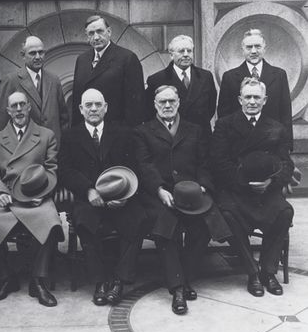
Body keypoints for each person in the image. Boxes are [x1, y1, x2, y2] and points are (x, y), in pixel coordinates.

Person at [133, 85, 231, 315]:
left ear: (179, 103)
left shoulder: (195, 130)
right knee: (168, 230)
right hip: (161, 195)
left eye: (171, 101)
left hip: (191, 193)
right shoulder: (143, 131)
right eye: (162, 102)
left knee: (204, 228)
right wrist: (158, 189)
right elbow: (144, 165)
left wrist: (203, 186)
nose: (167, 106)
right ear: (154, 105)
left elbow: (204, 164)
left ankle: (185, 275)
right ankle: (178, 288)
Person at [59, 88, 148, 306]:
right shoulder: (71, 135)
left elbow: (134, 166)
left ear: (106, 107)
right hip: (89, 198)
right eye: (88, 105)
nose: (93, 109)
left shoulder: (122, 133)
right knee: (84, 222)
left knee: (138, 219)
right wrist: (88, 190)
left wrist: (125, 194)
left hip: (120, 198)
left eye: (98, 104)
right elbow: (65, 170)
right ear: (80, 109)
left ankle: (118, 280)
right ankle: (99, 282)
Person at [0, 91, 64, 307]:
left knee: (52, 222)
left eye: (22, 105)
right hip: (7, 197)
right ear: (8, 111)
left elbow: (52, 169)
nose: (18, 110)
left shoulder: (46, 135)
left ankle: (38, 280)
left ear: (29, 108)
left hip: (36, 196)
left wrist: (41, 193)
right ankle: (6, 278)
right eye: (13, 106)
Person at [210, 78, 294, 297]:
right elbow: (219, 162)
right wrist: (244, 184)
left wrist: (271, 182)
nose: (252, 101)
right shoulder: (225, 124)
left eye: (257, 97)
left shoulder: (277, 128)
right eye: (247, 97)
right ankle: (252, 272)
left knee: (285, 212)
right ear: (240, 99)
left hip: (266, 190)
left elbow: (286, 163)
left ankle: (268, 271)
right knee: (227, 213)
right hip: (238, 189)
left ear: (265, 100)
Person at [217, 29, 292, 148]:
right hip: (239, 145)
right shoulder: (229, 77)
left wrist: (287, 145)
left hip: (271, 143)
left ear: (264, 48)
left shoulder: (279, 75)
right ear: (242, 50)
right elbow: (223, 114)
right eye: (249, 47)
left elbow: (285, 113)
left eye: (257, 46)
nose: (253, 51)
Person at [72, 15, 146, 126]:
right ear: (87, 36)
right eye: (91, 33)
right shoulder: (82, 60)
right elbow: (77, 99)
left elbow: (135, 106)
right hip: (87, 132)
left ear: (109, 32)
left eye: (100, 31)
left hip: (116, 132)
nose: (96, 37)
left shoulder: (127, 58)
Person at [0, 36, 69, 145]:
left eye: (41, 52)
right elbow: (2, 120)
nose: (38, 57)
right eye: (32, 53)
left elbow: (63, 118)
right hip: (24, 148)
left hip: (52, 147)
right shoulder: (11, 80)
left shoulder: (54, 80)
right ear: (23, 55)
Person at [146, 35, 217, 135]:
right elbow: (150, 112)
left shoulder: (206, 77)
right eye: (181, 51)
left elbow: (211, 108)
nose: (186, 55)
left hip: (201, 137)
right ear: (171, 55)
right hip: (172, 137)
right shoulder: (157, 79)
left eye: (189, 51)